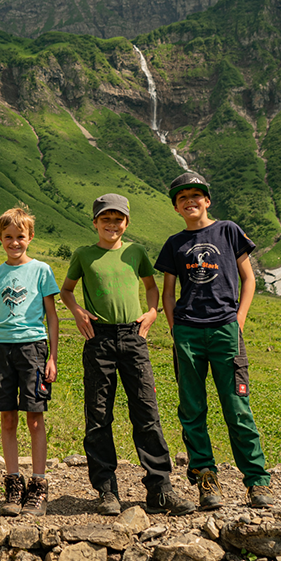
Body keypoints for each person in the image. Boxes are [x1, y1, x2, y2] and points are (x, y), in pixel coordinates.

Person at [60, 193, 194, 516]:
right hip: (99, 340)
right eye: (105, 219)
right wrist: (77, 312)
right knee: (98, 415)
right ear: (95, 223)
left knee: (147, 411)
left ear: (127, 222)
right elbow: (66, 290)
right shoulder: (84, 255)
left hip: (133, 338)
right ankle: (106, 490)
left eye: (118, 219)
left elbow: (151, 287)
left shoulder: (136, 252)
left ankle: (160, 490)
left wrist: (151, 312)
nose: (112, 224)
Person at [154, 170, 274, 510]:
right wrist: (174, 328)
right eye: (182, 198)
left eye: (196, 195)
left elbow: (249, 279)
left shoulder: (229, 231)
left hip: (225, 329)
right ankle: (206, 478)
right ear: (176, 208)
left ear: (207, 200)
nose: (190, 201)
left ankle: (257, 481)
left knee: (237, 408)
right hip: (188, 332)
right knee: (192, 409)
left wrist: (239, 320)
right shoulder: (174, 244)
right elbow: (167, 292)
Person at [0, 204, 60, 517]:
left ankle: (38, 485)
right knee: (7, 418)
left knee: (35, 417)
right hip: (1, 349)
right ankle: (13, 484)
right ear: (0, 238)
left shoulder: (41, 270)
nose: (15, 242)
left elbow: (52, 317)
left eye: (21, 237)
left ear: (30, 237)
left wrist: (52, 357)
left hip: (33, 348)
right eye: (8, 237)